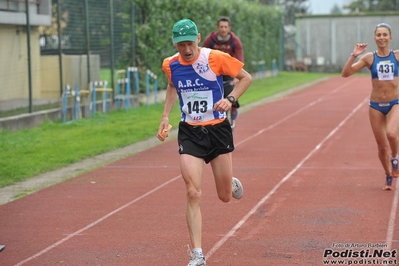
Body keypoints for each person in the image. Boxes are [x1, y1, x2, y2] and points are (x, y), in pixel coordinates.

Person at [157, 18, 252, 266]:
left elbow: (246, 78)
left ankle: (228, 182)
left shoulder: (215, 58)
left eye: (190, 43)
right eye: (181, 45)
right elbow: (171, 86)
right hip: (190, 132)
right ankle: (197, 254)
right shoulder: (170, 65)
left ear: (199, 38)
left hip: (218, 130)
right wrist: (165, 116)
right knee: (192, 192)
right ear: (174, 44)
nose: (186, 50)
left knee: (224, 197)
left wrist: (230, 99)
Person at [341, 22, 399, 191]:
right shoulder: (369, 58)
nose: (382, 38)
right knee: (381, 146)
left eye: (384, 35)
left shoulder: (396, 56)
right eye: (378, 35)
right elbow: (345, 74)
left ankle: (395, 158)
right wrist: (354, 55)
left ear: (390, 37)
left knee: (391, 134)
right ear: (375, 38)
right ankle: (388, 174)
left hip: (395, 102)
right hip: (375, 106)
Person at [202, 16, 244, 129]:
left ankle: (233, 116)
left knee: (231, 96)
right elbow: (202, 55)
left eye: (225, 27)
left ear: (229, 28)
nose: (223, 29)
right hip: (214, 73)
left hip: (229, 73)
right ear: (217, 28)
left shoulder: (235, 42)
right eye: (221, 27)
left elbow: (239, 59)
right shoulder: (210, 40)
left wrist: (237, 77)